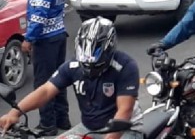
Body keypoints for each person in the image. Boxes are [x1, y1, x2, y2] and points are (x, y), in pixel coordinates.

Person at [0, 17, 142, 139]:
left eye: (96, 65)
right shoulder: (73, 66)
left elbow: (124, 111)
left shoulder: (125, 66)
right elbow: (45, 91)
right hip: (88, 128)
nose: (89, 68)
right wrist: (14, 113)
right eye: (85, 63)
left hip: (125, 130)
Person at [16, 0, 69, 135]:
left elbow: (39, 14)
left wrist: (29, 39)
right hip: (59, 36)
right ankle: (63, 120)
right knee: (60, 80)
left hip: (45, 40)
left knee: (42, 84)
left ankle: (48, 125)